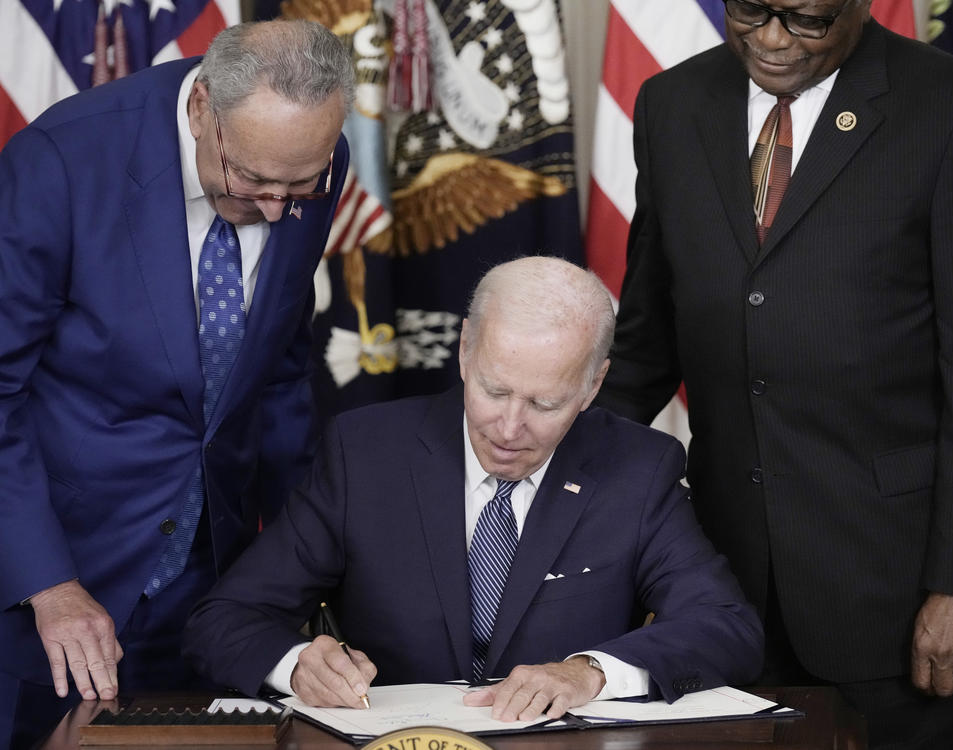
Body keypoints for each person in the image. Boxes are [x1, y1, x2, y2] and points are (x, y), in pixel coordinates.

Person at [596, 1, 953, 747]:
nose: (774, 39)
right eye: (751, 9)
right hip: (724, 585)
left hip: (895, 587)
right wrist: (540, 482)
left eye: (808, 19)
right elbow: (649, 342)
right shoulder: (672, 103)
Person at [183, 256, 763, 720]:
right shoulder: (364, 453)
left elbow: (727, 627)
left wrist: (589, 671)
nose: (510, 428)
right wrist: (295, 663)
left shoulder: (638, 467)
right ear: (463, 351)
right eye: (493, 389)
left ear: (593, 385)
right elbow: (224, 619)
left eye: (546, 403)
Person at [0, 19, 355, 748]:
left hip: (211, 582)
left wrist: (303, 560)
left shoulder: (312, 157)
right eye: (253, 179)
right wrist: (48, 585)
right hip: (59, 577)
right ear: (202, 112)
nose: (276, 208)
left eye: (300, 187)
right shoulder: (63, 161)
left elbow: (280, 365)